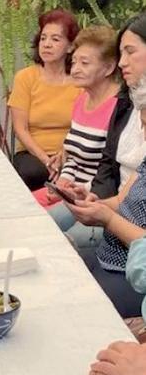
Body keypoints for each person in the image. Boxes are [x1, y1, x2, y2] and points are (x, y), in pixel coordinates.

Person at [51, 14, 146, 245]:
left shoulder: (114, 102)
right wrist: (94, 199)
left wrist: (104, 211)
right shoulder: (127, 103)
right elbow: (108, 163)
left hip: (130, 218)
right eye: (121, 53)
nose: (122, 62)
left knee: (65, 243)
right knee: (43, 222)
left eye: (130, 52)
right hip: (115, 201)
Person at [64, 73, 146, 318]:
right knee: (56, 267)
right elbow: (121, 201)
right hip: (109, 254)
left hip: (133, 274)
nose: (143, 134)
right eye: (142, 124)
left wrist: (108, 219)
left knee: (73, 307)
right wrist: (92, 201)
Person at [39, 26, 119, 245]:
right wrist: (63, 182)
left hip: (100, 199)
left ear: (109, 67)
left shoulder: (119, 108)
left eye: (85, 63)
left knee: (66, 243)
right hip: (75, 195)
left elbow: (111, 172)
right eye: (73, 62)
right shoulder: (81, 99)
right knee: (39, 226)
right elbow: (73, 155)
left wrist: (79, 192)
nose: (75, 69)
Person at [8, 9, 81, 190]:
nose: (47, 44)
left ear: (70, 47)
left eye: (55, 39)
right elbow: (20, 128)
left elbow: (85, 126)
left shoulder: (80, 81)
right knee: (34, 172)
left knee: (80, 173)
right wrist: (45, 159)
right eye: (43, 38)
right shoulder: (25, 77)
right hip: (32, 154)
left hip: (72, 154)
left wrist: (63, 155)